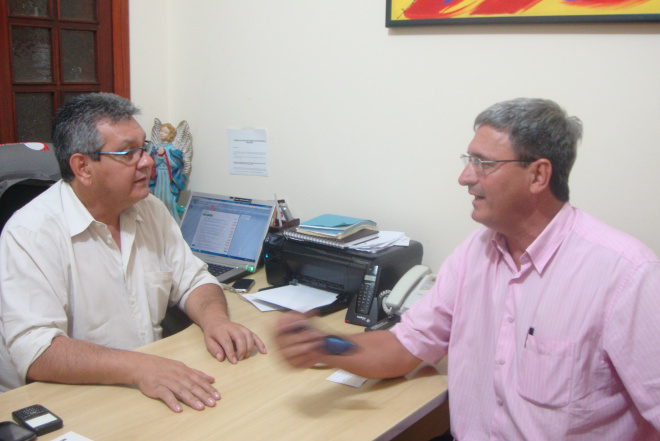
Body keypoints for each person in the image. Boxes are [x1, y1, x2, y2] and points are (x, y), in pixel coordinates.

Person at [274, 98, 660, 440]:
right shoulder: (475, 253)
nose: (465, 177)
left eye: (484, 164)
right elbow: (404, 346)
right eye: (468, 160)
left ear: (538, 175)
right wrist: (322, 344)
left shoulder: (627, 276)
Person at [0, 93, 266, 413]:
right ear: (83, 167)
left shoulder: (148, 208)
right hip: (71, 403)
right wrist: (140, 367)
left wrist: (216, 321)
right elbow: (38, 351)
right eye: (130, 153)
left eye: (145, 148)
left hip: (143, 388)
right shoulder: (30, 233)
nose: (148, 161)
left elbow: (194, 279)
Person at [148, 122, 188, 223]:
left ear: (170, 135)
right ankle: (158, 222)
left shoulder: (172, 148)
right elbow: (153, 162)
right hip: (159, 177)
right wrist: (158, 156)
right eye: (161, 131)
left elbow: (175, 164)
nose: (162, 133)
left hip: (168, 177)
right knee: (158, 199)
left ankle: (171, 222)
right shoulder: (156, 147)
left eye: (165, 132)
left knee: (168, 200)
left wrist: (164, 155)